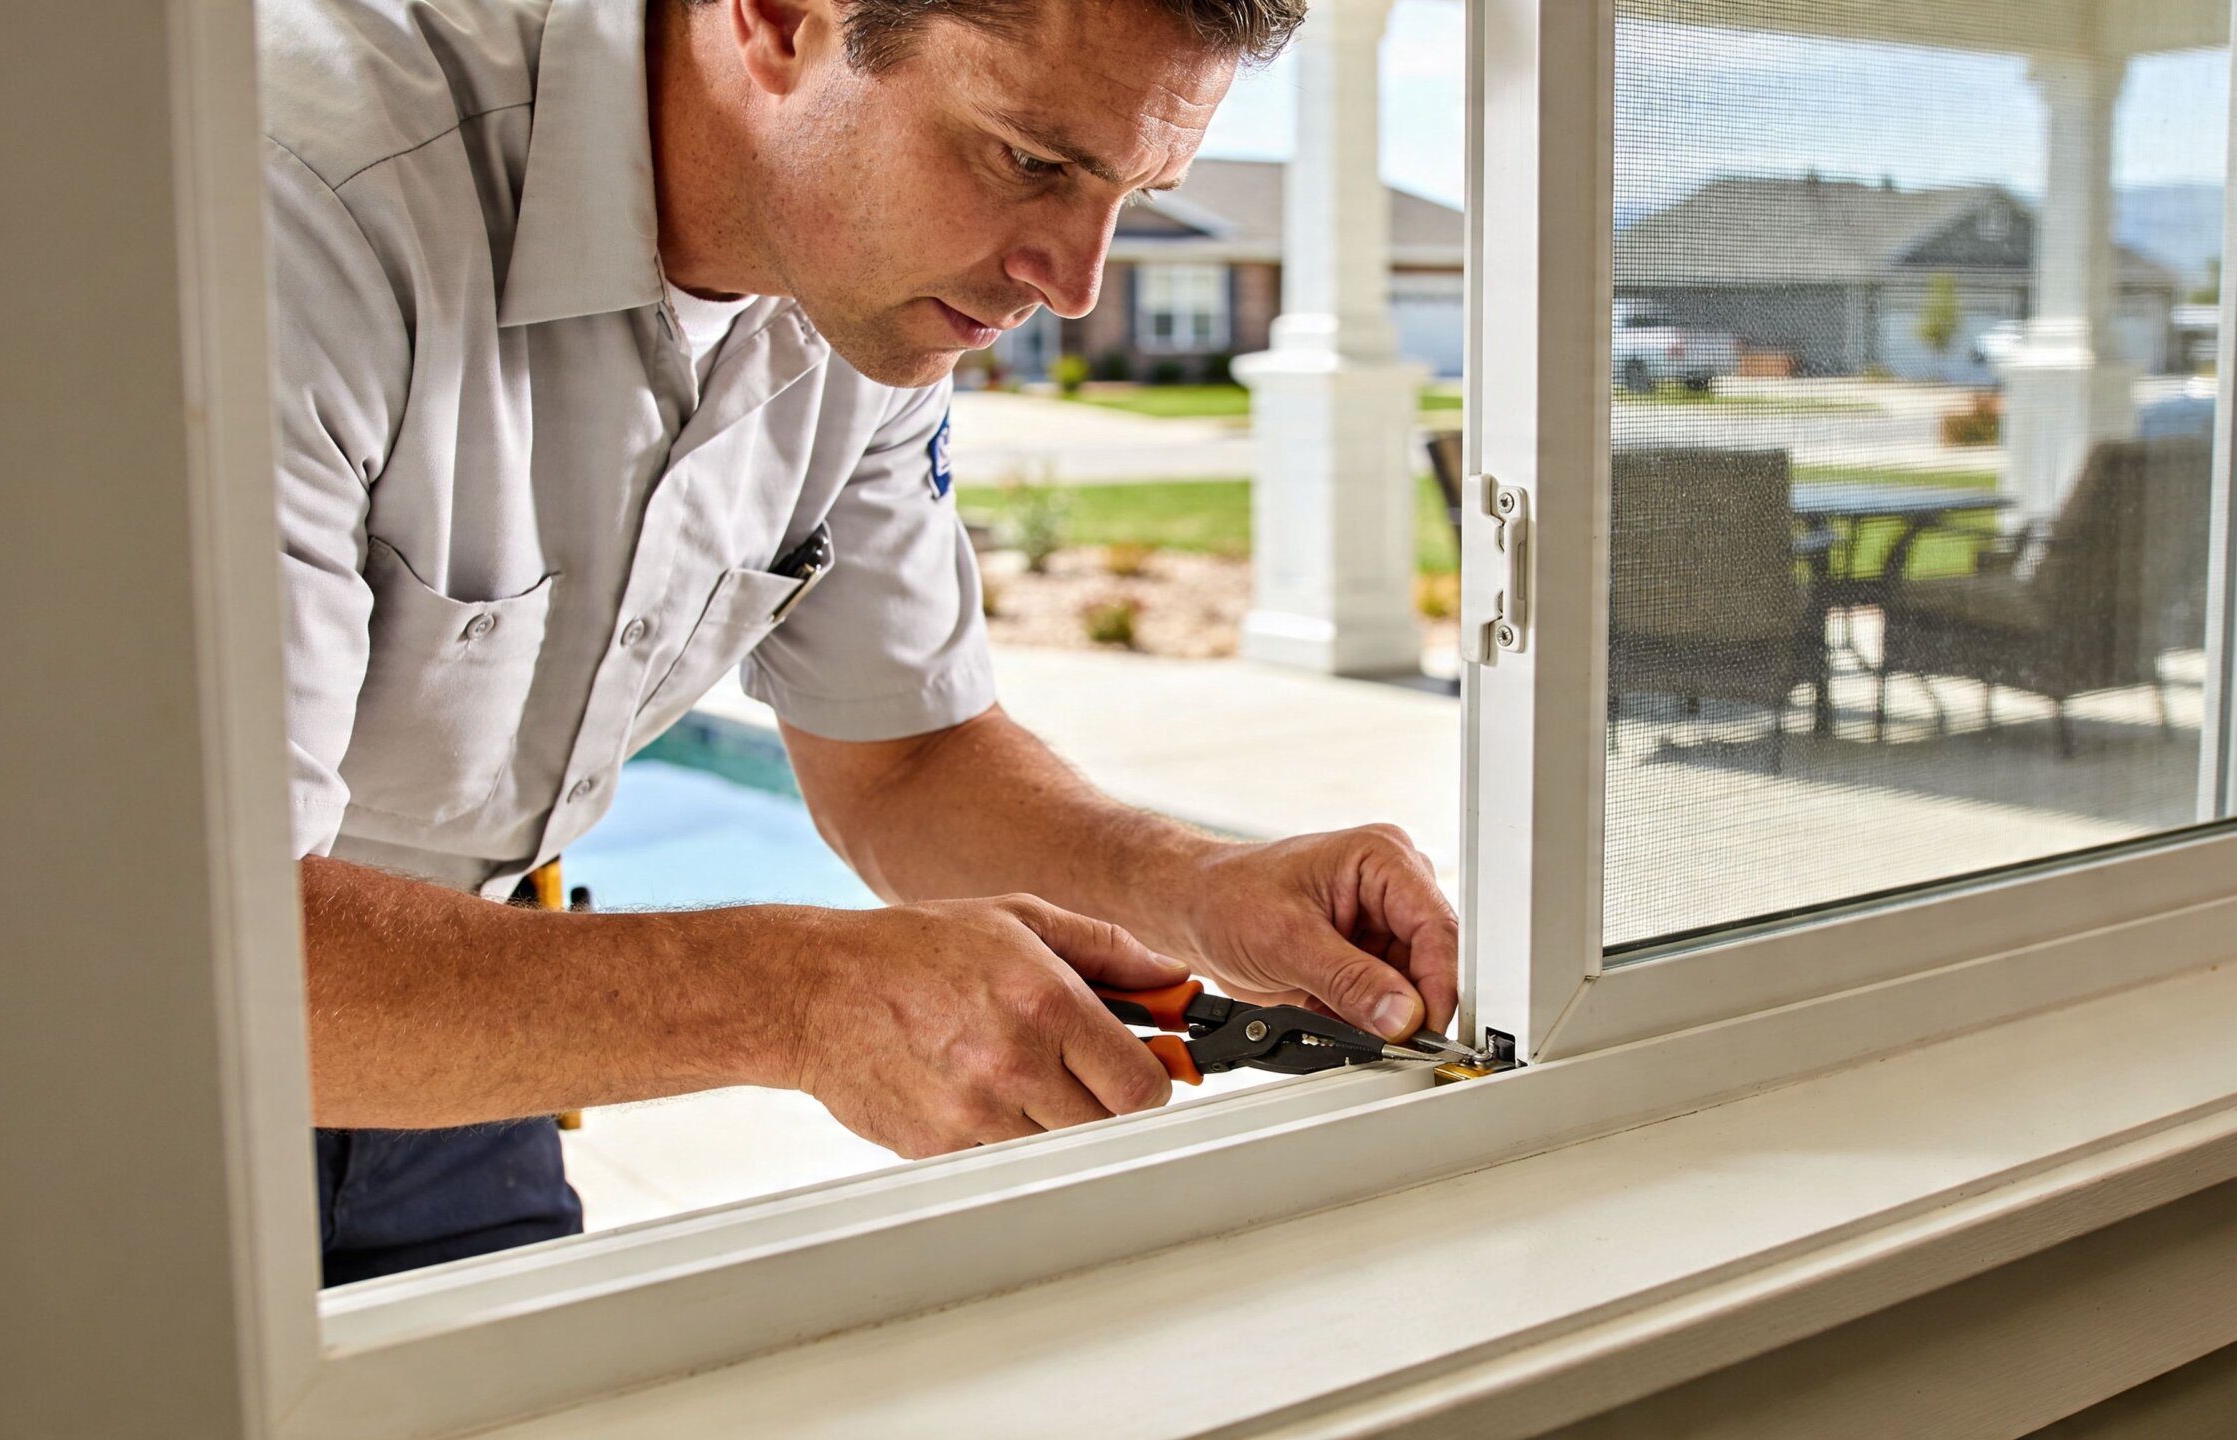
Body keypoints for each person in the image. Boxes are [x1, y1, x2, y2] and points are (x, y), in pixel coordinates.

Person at [267, 0, 1458, 1285]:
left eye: (1135, 189)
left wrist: (1192, 889)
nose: (1069, 284)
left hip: (464, 1066)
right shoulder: (294, 207)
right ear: (779, 19)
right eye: (1031, 160)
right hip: (116, 1102)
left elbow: (905, 761)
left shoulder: (863, 288)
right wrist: (796, 996)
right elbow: (175, 948)